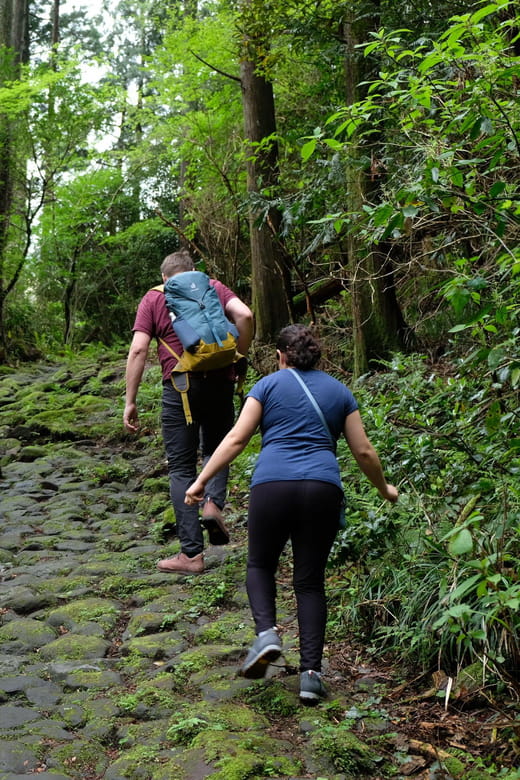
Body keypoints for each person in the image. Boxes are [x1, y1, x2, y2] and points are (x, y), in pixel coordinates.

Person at [185, 324, 398, 702]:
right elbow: (363, 451)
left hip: (273, 486)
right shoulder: (339, 391)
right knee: (310, 581)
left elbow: (237, 437)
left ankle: (267, 635)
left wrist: (202, 480)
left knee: (260, 566)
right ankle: (312, 675)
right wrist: (385, 489)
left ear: (281, 356)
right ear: (317, 356)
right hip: (322, 489)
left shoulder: (266, 386)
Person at [123, 249, 254, 575]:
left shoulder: (155, 298)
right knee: (217, 449)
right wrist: (239, 356)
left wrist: (131, 400)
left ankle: (192, 555)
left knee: (181, 468)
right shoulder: (213, 287)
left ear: (164, 277)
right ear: (194, 271)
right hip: (220, 384)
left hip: (180, 389)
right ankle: (213, 504)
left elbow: (139, 348)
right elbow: (246, 317)